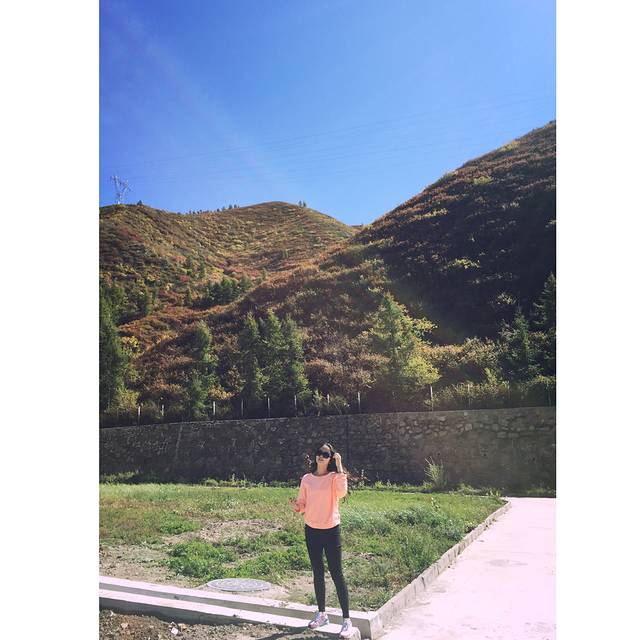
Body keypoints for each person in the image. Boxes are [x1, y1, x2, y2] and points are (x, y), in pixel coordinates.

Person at [289, 442, 353, 639]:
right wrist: (298, 507)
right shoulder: (307, 479)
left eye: (326, 454)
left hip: (331, 530)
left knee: (337, 573)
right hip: (312, 530)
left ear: (330, 458)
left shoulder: (334, 477)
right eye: (319, 453)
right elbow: (303, 503)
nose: (321, 456)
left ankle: (346, 620)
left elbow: (341, 493)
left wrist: (340, 465)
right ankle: (322, 614)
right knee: (317, 572)